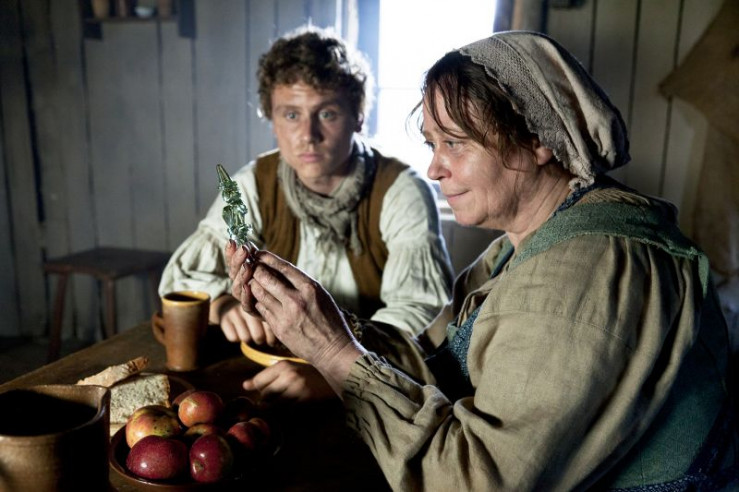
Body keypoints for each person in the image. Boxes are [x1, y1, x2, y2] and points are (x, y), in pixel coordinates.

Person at [226, 30, 739, 490]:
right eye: (432, 143)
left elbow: (473, 480)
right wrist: (310, 324)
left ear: (537, 138)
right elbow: (434, 359)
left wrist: (337, 354)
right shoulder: (526, 242)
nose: (434, 168)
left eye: (454, 143)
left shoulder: (585, 271)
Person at [159, 26, 454, 402]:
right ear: (272, 119)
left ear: (358, 117)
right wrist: (224, 304)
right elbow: (182, 280)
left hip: (375, 386)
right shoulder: (254, 185)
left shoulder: (400, 191)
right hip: (267, 374)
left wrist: (338, 369)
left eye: (327, 113)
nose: (308, 134)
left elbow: (419, 314)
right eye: (291, 114)